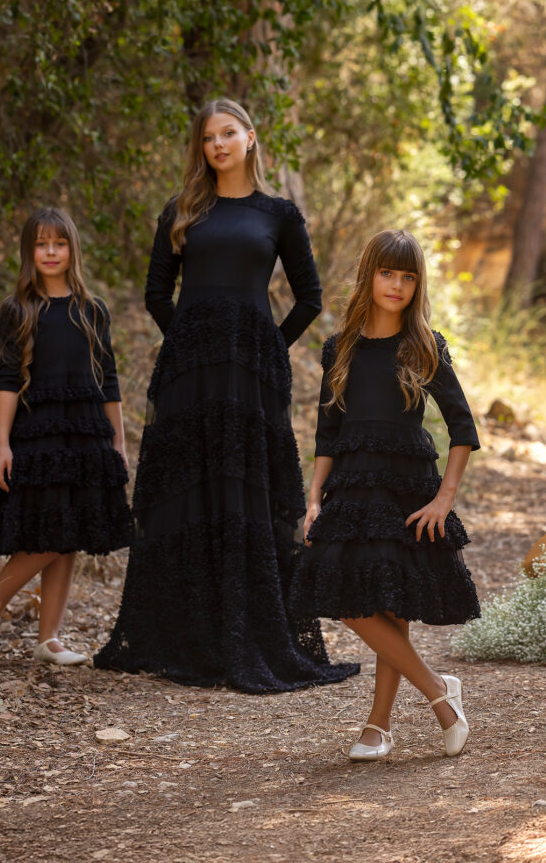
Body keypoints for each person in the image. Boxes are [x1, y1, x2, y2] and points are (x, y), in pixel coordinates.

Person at [94, 97, 359, 693]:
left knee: (248, 490)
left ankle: (248, 631)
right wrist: (193, 345)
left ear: (250, 138)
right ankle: (186, 635)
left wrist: (266, 347)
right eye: (209, 136)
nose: (217, 144)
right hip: (189, 375)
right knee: (187, 491)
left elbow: (310, 298)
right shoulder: (183, 210)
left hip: (251, 379)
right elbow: (156, 293)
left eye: (228, 133)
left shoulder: (278, 213)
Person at [290, 229, 481, 758]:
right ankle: (439, 690)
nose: (396, 285)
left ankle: (378, 727)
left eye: (408, 277)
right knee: (344, 595)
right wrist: (314, 499)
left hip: (406, 486)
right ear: (369, 275)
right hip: (352, 485)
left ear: (417, 285)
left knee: (390, 602)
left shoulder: (424, 346)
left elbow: (463, 428)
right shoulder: (340, 349)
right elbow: (327, 433)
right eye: (387, 273)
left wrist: (444, 499)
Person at [0, 207, 133, 665]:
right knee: (48, 534)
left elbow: (109, 379)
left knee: (69, 531)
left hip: (86, 432)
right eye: (41, 244)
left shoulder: (92, 310)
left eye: (59, 243)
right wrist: (2, 444)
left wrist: (118, 442)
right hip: (38, 433)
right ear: (29, 251)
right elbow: (7, 380)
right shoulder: (19, 310)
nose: (51, 252)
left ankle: (48, 639)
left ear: (72, 249)